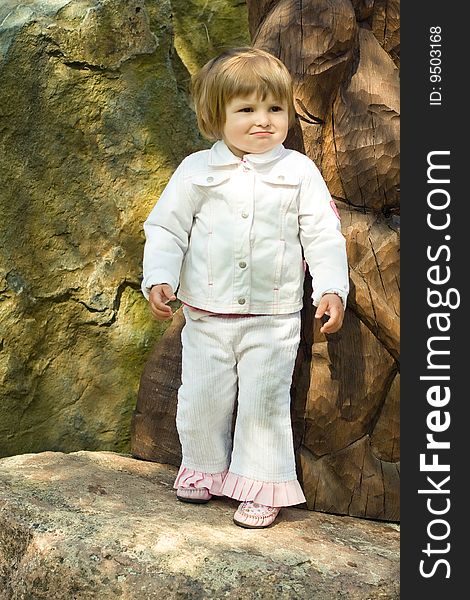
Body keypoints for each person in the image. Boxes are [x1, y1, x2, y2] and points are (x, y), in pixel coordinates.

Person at [141, 47, 349, 529]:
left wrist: (331, 289)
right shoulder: (196, 170)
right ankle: (203, 467)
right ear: (217, 116)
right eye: (247, 110)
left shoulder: (297, 172)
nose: (264, 121)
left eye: (274, 109)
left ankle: (260, 483)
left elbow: (322, 233)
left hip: (272, 318)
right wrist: (159, 278)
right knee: (202, 395)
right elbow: (167, 229)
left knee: (263, 401)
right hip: (206, 315)